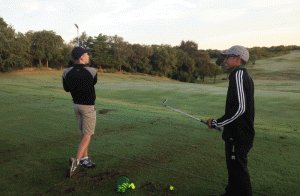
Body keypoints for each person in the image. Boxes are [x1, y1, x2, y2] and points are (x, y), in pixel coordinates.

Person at [207, 45, 255, 196]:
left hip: (239, 134)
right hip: (235, 133)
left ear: (238, 59)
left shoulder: (239, 75)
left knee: (239, 170)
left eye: (228, 57)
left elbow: (240, 109)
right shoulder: (238, 75)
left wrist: (216, 123)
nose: (225, 60)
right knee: (233, 168)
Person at [62, 46, 98, 177]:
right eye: (87, 54)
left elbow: (66, 89)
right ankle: (76, 161)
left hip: (76, 106)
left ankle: (85, 159)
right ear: (81, 57)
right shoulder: (92, 71)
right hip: (88, 107)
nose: (89, 56)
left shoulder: (66, 72)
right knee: (87, 135)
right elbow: (93, 82)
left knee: (84, 133)